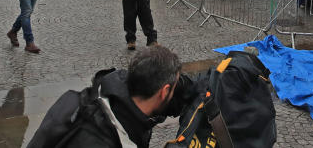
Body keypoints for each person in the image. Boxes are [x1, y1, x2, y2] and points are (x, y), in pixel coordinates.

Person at [27, 44, 195, 148]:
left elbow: (184, 87)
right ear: (164, 92)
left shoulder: (104, 95)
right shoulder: (101, 139)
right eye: (173, 88)